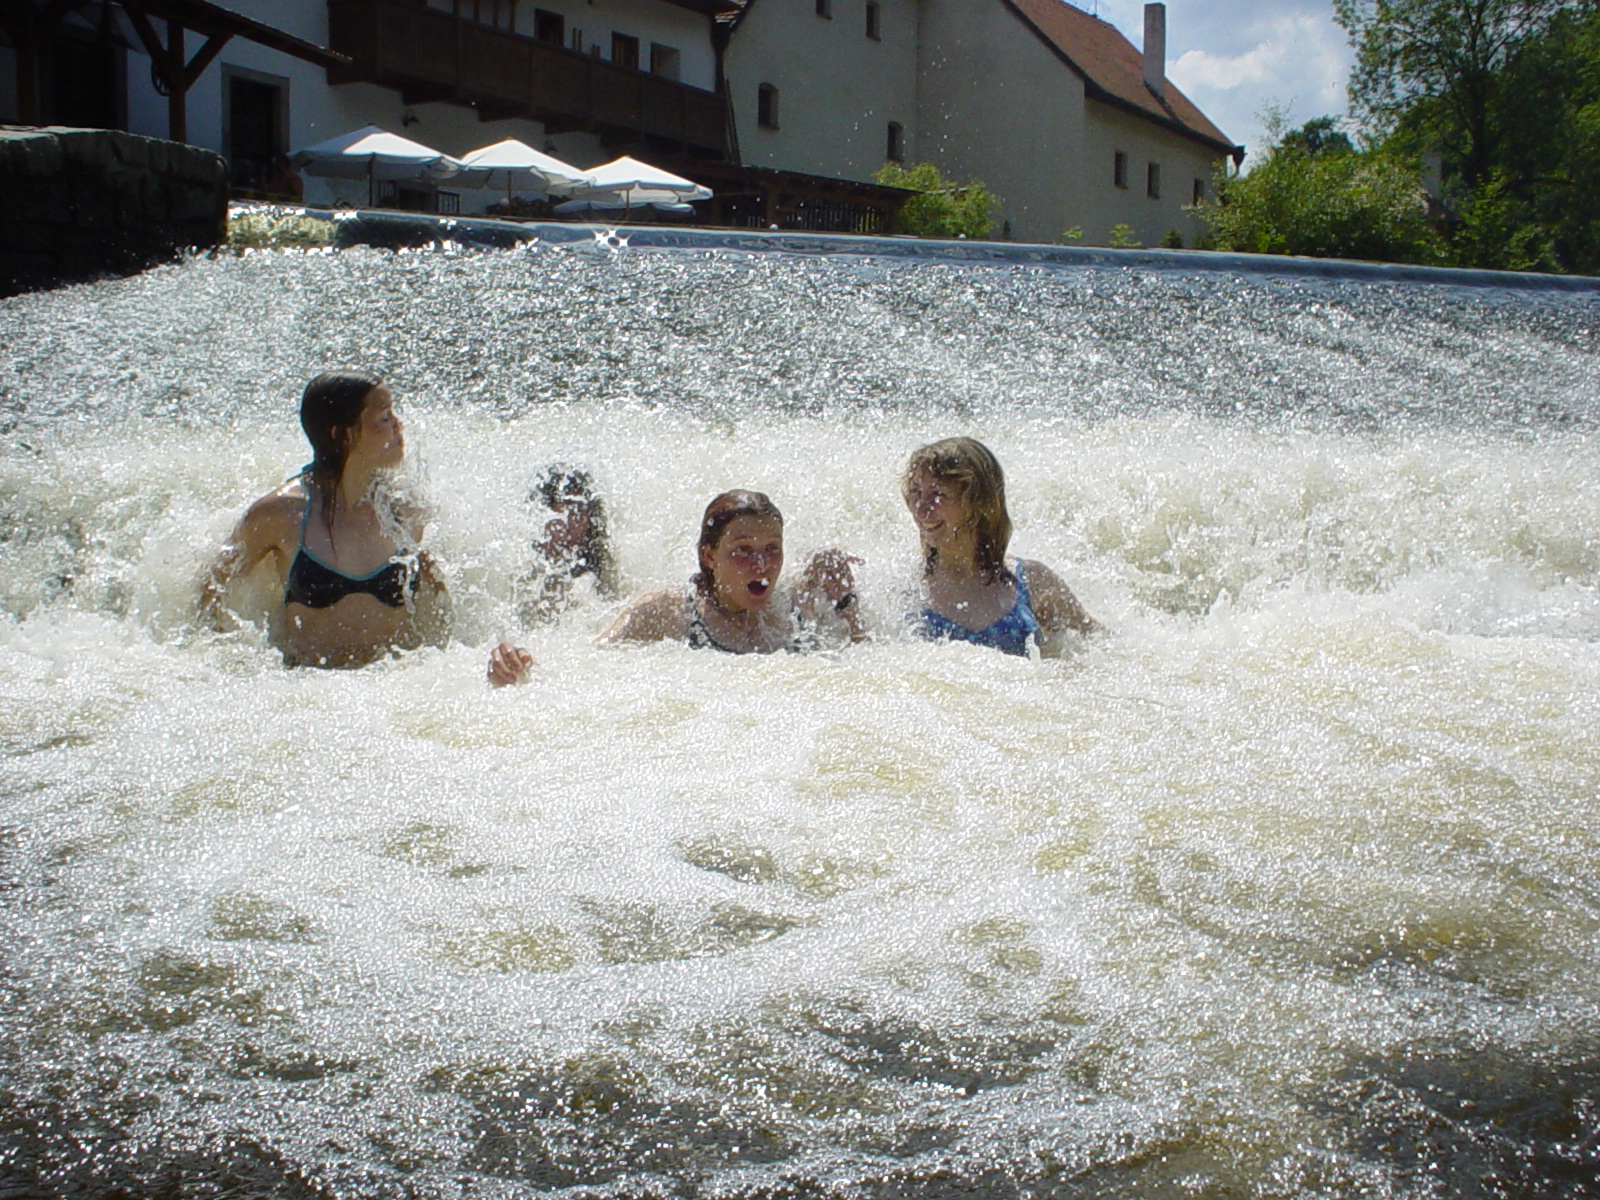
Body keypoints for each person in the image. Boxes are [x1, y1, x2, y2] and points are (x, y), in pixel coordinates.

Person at [200, 371, 449, 668]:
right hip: (307, 686)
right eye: (384, 417)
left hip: (393, 684)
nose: (399, 424)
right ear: (341, 434)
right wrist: (224, 659)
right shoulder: (280, 513)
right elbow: (212, 588)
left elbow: (443, 597)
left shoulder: (407, 508)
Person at [487, 489, 862, 685]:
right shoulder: (669, 610)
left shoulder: (794, 604)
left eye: (772, 549)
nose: (761, 565)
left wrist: (846, 600)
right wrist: (518, 667)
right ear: (709, 555)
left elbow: (865, 662)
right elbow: (588, 666)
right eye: (742, 550)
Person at [902, 437, 1101, 656]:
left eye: (938, 494)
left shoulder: (1032, 581)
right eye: (915, 492)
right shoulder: (906, 592)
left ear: (978, 500)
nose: (921, 510)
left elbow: (1101, 649)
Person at [517, 465, 618, 626]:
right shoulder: (520, 567)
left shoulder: (601, 565)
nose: (573, 524)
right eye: (563, 513)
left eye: (579, 512)